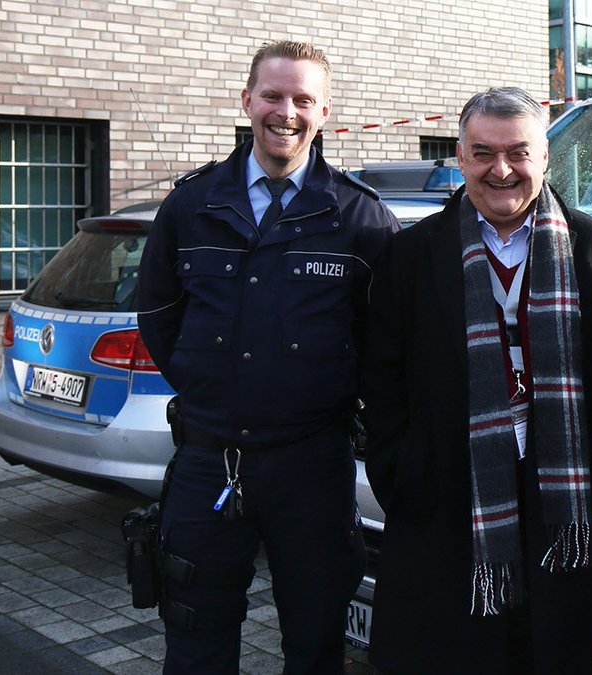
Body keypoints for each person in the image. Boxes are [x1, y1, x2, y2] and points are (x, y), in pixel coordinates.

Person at [136, 40, 399, 673]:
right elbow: (159, 319)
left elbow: (385, 343)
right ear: (246, 100)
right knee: (196, 641)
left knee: (315, 643)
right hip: (208, 460)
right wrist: (217, 388)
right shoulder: (190, 206)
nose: (287, 111)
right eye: (274, 95)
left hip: (312, 466)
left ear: (325, 111)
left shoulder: (360, 217)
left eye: (303, 99)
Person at [362, 86, 592, 675]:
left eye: (519, 153)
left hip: (560, 509)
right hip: (444, 504)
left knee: (550, 655)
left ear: (547, 158)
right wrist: (403, 472)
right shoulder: (410, 255)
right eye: (482, 152)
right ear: (460, 157)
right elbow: (381, 379)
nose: (501, 170)